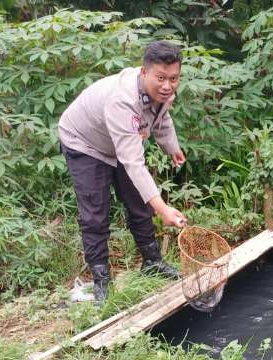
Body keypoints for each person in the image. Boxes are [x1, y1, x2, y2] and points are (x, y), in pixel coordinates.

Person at [58, 40, 188, 304]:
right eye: (160, 78)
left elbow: (161, 119)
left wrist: (172, 147)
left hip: (119, 140)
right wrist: (163, 210)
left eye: (173, 79)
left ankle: (152, 261)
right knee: (95, 213)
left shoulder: (164, 93)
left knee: (140, 202)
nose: (167, 85)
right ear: (144, 72)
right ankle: (101, 281)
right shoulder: (123, 101)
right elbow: (134, 163)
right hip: (84, 142)